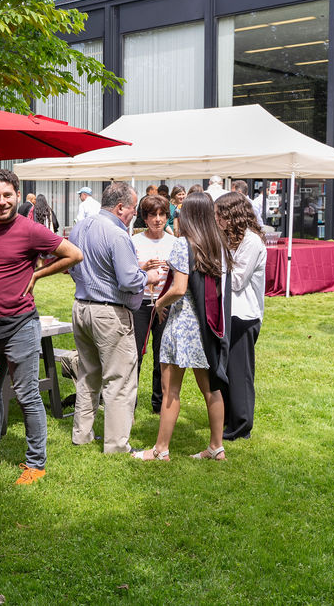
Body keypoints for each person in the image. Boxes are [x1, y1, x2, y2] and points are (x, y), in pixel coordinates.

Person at [0, 169, 82, 484]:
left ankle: (36, 463)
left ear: (17, 194)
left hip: (21, 324)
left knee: (26, 395)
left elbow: (74, 254)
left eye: (7, 195)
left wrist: (38, 274)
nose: (1, 202)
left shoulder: (31, 230)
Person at [132, 191, 232, 461]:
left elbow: (178, 288)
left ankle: (160, 449)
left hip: (183, 323)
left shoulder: (182, 244)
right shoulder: (219, 243)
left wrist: (160, 303)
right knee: (211, 387)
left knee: (171, 389)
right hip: (209, 323)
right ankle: (216, 447)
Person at [68, 181, 163, 454]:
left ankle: (82, 435)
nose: (135, 213)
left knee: (88, 375)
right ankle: (117, 446)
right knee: (119, 380)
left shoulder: (80, 227)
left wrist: (134, 269)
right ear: (120, 207)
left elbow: (75, 265)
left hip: (82, 306)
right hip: (109, 313)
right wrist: (148, 276)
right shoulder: (118, 234)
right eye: (133, 208)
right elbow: (128, 280)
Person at [214, 192, 266, 440]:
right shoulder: (227, 239)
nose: (216, 219)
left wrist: (212, 265)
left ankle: (241, 425)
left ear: (231, 215)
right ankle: (228, 419)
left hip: (244, 316)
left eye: (219, 214)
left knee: (240, 372)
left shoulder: (251, 241)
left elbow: (236, 280)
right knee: (224, 371)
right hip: (227, 313)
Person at [131, 194, 175, 414]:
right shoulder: (134, 241)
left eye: (162, 214)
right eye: (152, 215)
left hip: (165, 302)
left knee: (162, 355)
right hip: (141, 303)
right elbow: (127, 271)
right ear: (144, 218)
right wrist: (143, 266)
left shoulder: (174, 243)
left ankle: (158, 404)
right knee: (135, 354)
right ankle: (131, 402)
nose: (158, 219)